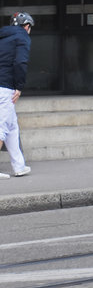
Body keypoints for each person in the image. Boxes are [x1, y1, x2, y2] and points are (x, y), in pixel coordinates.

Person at [0, 12, 34, 178]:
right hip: (5, 87)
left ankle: (19, 166)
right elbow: (20, 62)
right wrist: (19, 87)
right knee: (1, 128)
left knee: (12, 127)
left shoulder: (3, 35)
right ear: (26, 26)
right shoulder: (22, 37)